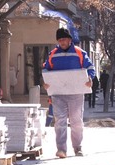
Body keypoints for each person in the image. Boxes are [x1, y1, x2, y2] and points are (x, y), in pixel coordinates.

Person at [42, 28, 95, 158]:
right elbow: (45, 69)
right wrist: (45, 81)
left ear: (70, 40)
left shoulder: (80, 53)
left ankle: (77, 147)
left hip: (76, 93)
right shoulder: (53, 54)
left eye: (64, 39)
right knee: (60, 121)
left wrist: (90, 79)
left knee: (76, 121)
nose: (62, 42)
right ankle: (61, 150)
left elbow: (90, 68)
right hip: (58, 94)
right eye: (59, 40)